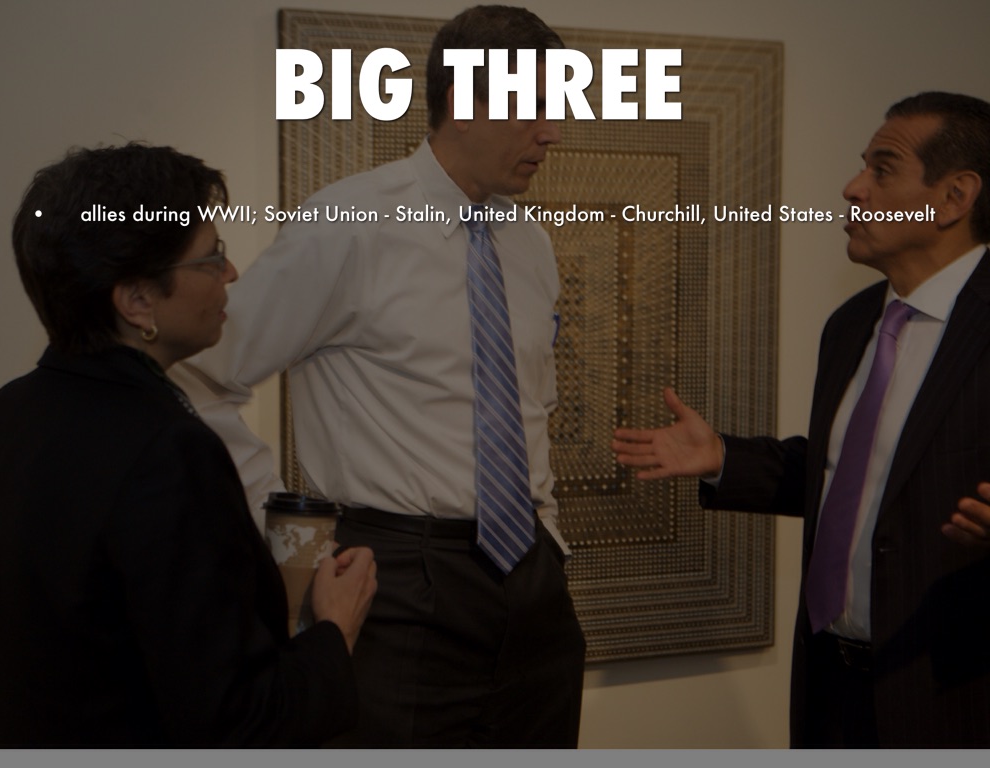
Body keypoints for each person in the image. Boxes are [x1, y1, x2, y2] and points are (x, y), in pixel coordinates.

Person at [173, 5, 585, 747]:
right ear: (461, 104)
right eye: (533, 107)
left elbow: (532, 405)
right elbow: (198, 374)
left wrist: (546, 533)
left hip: (531, 586)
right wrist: (285, 524)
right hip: (395, 586)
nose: (552, 132)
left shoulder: (529, 241)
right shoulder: (347, 225)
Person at [612, 91, 990, 747]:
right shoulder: (852, 324)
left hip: (953, 699)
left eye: (882, 169)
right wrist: (723, 458)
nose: (853, 188)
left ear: (954, 197)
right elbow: (854, 478)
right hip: (831, 687)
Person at [0, 144, 377, 747]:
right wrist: (335, 630)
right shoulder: (167, 450)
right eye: (211, 258)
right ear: (137, 301)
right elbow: (237, 722)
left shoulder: (1, 417)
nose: (230, 274)